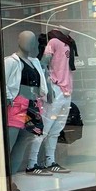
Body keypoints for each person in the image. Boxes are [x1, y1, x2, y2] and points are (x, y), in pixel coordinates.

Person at [26, 29, 76, 174]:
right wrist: (48, 86)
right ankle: (31, 163)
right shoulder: (54, 42)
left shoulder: (69, 43)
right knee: (44, 128)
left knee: (56, 129)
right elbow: (43, 64)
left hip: (66, 90)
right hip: (56, 88)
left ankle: (50, 161)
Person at [4, 30, 49, 185]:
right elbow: (2, 81)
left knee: (22, 145)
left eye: (32, 40)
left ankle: (11, 181)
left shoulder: (34, 62)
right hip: (16, 105)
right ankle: (0, 183)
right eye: (26, 39)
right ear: (18, 40)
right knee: (8, 145)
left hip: (32, 105)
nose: (29, 43)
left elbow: (42, 82)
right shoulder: (11, 61)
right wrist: (8, 97)